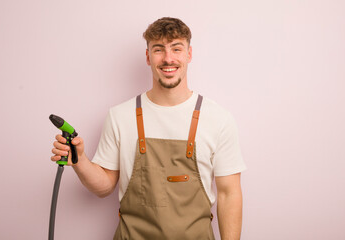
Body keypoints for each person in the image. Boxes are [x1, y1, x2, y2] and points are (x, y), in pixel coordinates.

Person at [51, 17, 246, 240]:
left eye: (176, 48)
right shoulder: (119, 116)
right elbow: (103, 187)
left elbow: (229, 194)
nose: (168, 58)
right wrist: (80, 160)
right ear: (148, 57)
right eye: (158, 49)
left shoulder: (218, 119)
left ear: (189, 54)